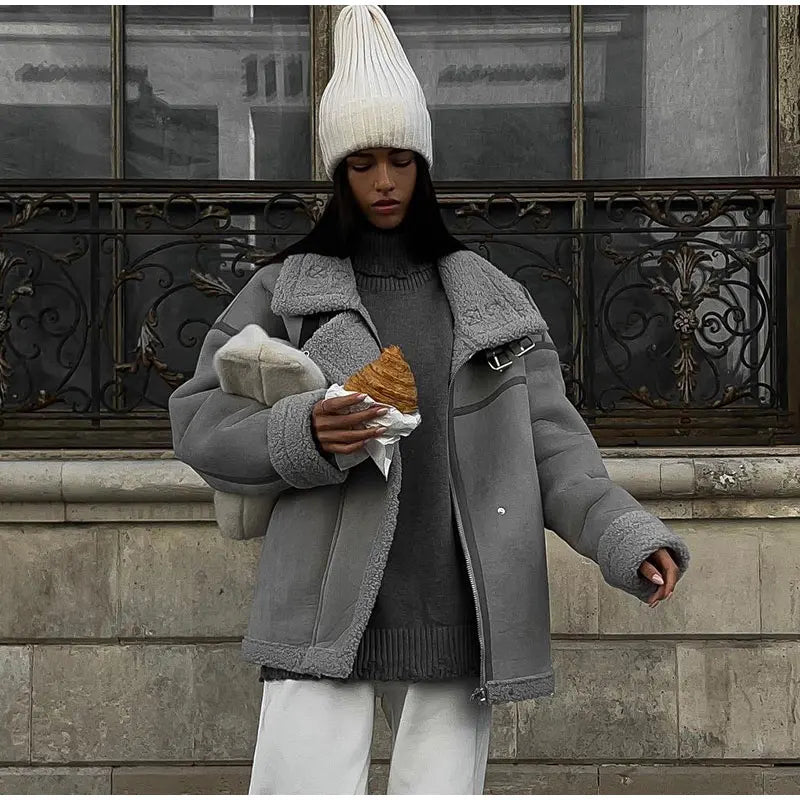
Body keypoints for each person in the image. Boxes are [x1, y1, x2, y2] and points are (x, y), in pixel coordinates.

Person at [168, 6, 690, 795]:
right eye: (363, 161)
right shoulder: (285, 292)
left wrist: (624, 536)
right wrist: (302, 430)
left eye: (402, 159)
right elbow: (197, 419)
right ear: (337, 172)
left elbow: (553, 447)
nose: (384, 181)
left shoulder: (493, 301)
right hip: (320, 608)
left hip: (456, 610)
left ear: (425, 165)